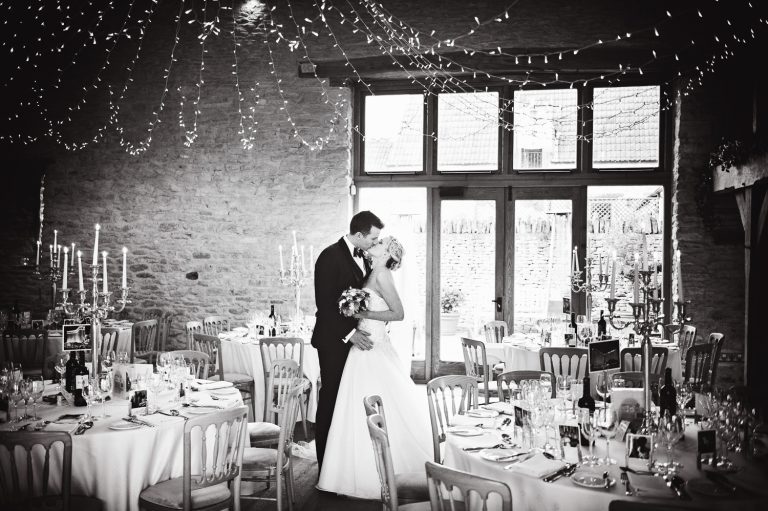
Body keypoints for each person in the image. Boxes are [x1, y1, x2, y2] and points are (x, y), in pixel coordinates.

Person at [317, 236, 433, 499]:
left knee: (380, 402)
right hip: (360, 347)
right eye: (375, 240)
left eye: (379, 243)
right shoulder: (371, 273)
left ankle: (380, 471)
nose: (374, 244)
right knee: (353, 406)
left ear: (387, 253)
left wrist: (362, 314)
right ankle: (350, 470)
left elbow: (398, 313)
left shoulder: (383, 275)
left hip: (374, 346)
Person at [311, 211, 382, 472]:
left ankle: (344, 460)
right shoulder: (330, 256)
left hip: (353, 341)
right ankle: (325, 464)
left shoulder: (363, 256)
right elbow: (325, 305)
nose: (376, 243)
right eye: (373, 238)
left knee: (347, 401)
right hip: (333, 342)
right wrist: (350, 334)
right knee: (331, 399)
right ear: (360, 235)